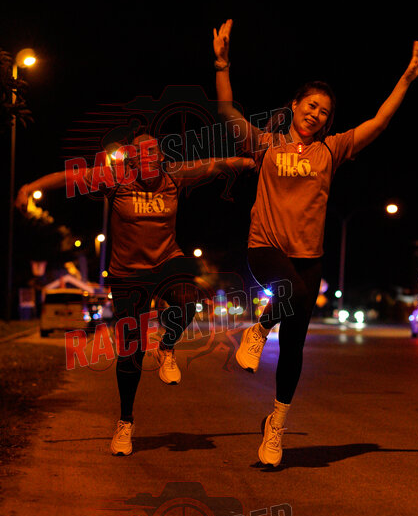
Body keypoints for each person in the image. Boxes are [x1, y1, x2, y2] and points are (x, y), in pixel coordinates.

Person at [213, 18, 418, 467]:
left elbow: (380, 122)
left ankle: (276, 424)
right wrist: (221, 65)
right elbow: (228, 112)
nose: (316, 115)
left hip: (309, 258)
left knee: (294, 347)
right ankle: (257, 330)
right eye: (311, 106)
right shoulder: (267, 145)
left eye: (325, 112)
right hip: (266, 248)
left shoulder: (331, 150)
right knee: (289, 292)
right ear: (294, 105)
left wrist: (406, 80)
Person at [16, 128, 254, 456]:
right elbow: (68, 177)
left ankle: (167, 347)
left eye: (152, 153)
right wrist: (30, 187)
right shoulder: (115, 179)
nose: (147, 159)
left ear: (161, 157)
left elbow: (212, 165)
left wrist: (246, 162)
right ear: (131, 162)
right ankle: (125, 422)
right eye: (140, 155)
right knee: (132, 350)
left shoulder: (174, 176)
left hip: (166, 262)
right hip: (128, 274)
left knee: (189, 302)